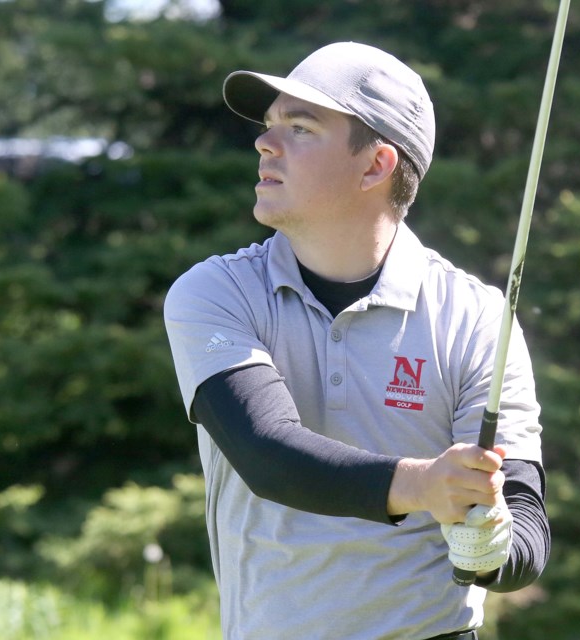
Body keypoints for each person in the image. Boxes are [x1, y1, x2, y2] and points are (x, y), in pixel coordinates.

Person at [164, 41, 549, 640]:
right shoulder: (216, 293)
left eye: (301, 127)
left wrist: (490, 542)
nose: (265, 143)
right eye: (270, 126)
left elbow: (525, 521)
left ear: (376, 166)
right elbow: (269, 454)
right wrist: (425, 486)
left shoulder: (475, 316)